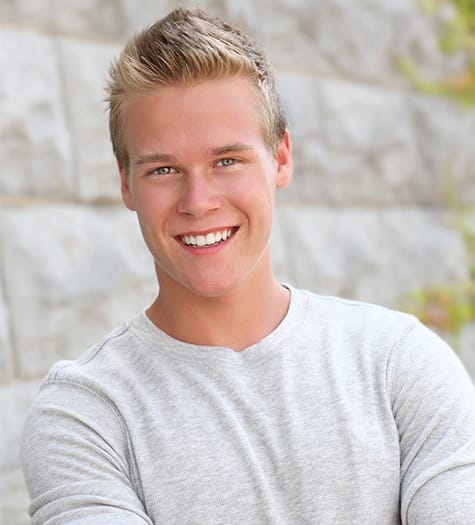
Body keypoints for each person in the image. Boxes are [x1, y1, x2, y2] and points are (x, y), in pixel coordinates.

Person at [21, 8, 475, 525]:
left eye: (226, 161)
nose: (198, 201)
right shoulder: (86, 415)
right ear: (126, 183)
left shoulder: (398, 363)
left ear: (280, 157)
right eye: (163, 169)